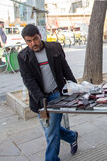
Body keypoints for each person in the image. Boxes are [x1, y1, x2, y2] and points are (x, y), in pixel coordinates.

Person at [17, 24, 78, 161]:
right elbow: (28, 80)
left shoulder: (55, 48)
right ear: (25, 41)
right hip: (40, 99)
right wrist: (41, 99)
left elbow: (65, 69)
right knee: (51, 129)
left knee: (51, 132)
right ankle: (72, 136)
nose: (33, 43)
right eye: (29, 41)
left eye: (35, 39)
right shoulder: (23, 56)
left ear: (40, 35)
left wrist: (75, 86)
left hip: (57, 95)